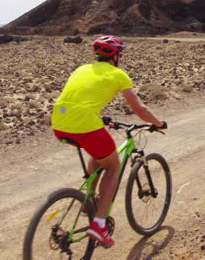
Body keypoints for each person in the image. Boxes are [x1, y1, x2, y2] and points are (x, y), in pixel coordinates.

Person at [51, 35, 166, 247]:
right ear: (116, 56)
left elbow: (81, 98)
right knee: (113, 167)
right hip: (85, 124)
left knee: (99, 155)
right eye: (120, 54)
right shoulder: (119, 75)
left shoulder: (81, 69)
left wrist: (99, 117)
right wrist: (158, 123)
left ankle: (87, 202)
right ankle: (99, 224)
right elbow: (140, 109)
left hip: (59, 123)